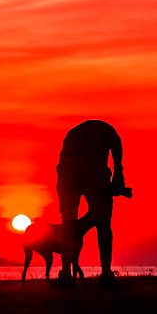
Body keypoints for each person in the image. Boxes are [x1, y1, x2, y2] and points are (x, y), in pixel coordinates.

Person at [56, 120, 128, 281]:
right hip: (84, 168)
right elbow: (116, 145)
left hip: (72, 167)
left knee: (68, 224)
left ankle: (67, 273)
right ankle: (106, 272)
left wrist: (118, 171)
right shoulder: (106, 132)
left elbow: (115, 145)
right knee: (103, 223)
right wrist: (118, 172)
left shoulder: (82, 136)